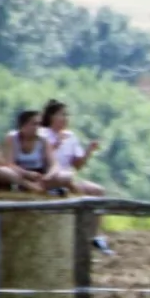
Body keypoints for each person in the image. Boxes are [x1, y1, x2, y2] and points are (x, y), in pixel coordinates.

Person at [42, 99, 114, 255]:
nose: (66, 118)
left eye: (67, 115)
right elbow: (40, 159)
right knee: (67, 182)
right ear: (51, 116)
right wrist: (55, 145)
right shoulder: (42, 135)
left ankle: (95, 235)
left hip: (69, 179)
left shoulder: (71, 136)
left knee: (98, 191)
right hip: (49, 179)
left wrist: (89, 151)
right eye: (62, 114)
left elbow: (77, 165)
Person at [3, 109, 54, 192]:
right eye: (34, 124)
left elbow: (54, 164)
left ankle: (42, 186)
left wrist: (48, 176)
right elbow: (9, 164)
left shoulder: (43, 139)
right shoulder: (12, 138)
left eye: (39, 124)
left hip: (39, 174)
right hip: (19, 173)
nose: (38, 127)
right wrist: (26, 173)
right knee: (3, 171)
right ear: (23, 126)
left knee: (65, 177)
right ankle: (29, 186)